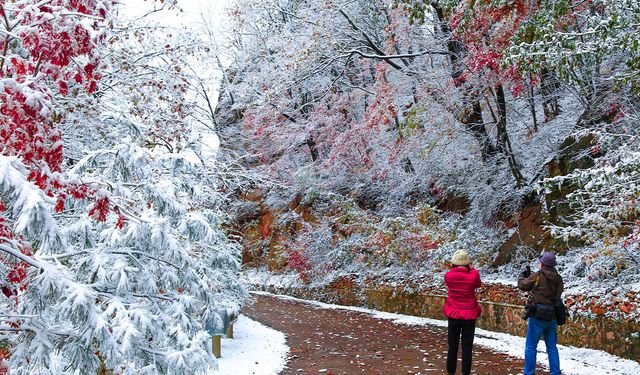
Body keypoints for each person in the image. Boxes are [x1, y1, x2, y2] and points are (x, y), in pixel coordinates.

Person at [518, 252, 564, 375]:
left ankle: (529, 373)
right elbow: (557, 295)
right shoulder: (558, 278)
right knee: (552, 348)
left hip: (537, 315)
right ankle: (555, 372)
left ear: (542, 264)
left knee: (531, 346)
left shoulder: (538, 275)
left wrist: (522, 276)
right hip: (552, 316)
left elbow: (522, 285)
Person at [443, 250, 482, 375]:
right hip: (469, 315)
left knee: (452, 346)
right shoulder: (473, 275)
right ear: (467, 263)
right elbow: (478, 284)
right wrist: (471, 268)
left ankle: (451, 372)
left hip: (453, 314)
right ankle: (466, 373)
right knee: (467, 347)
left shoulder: (448, 276)